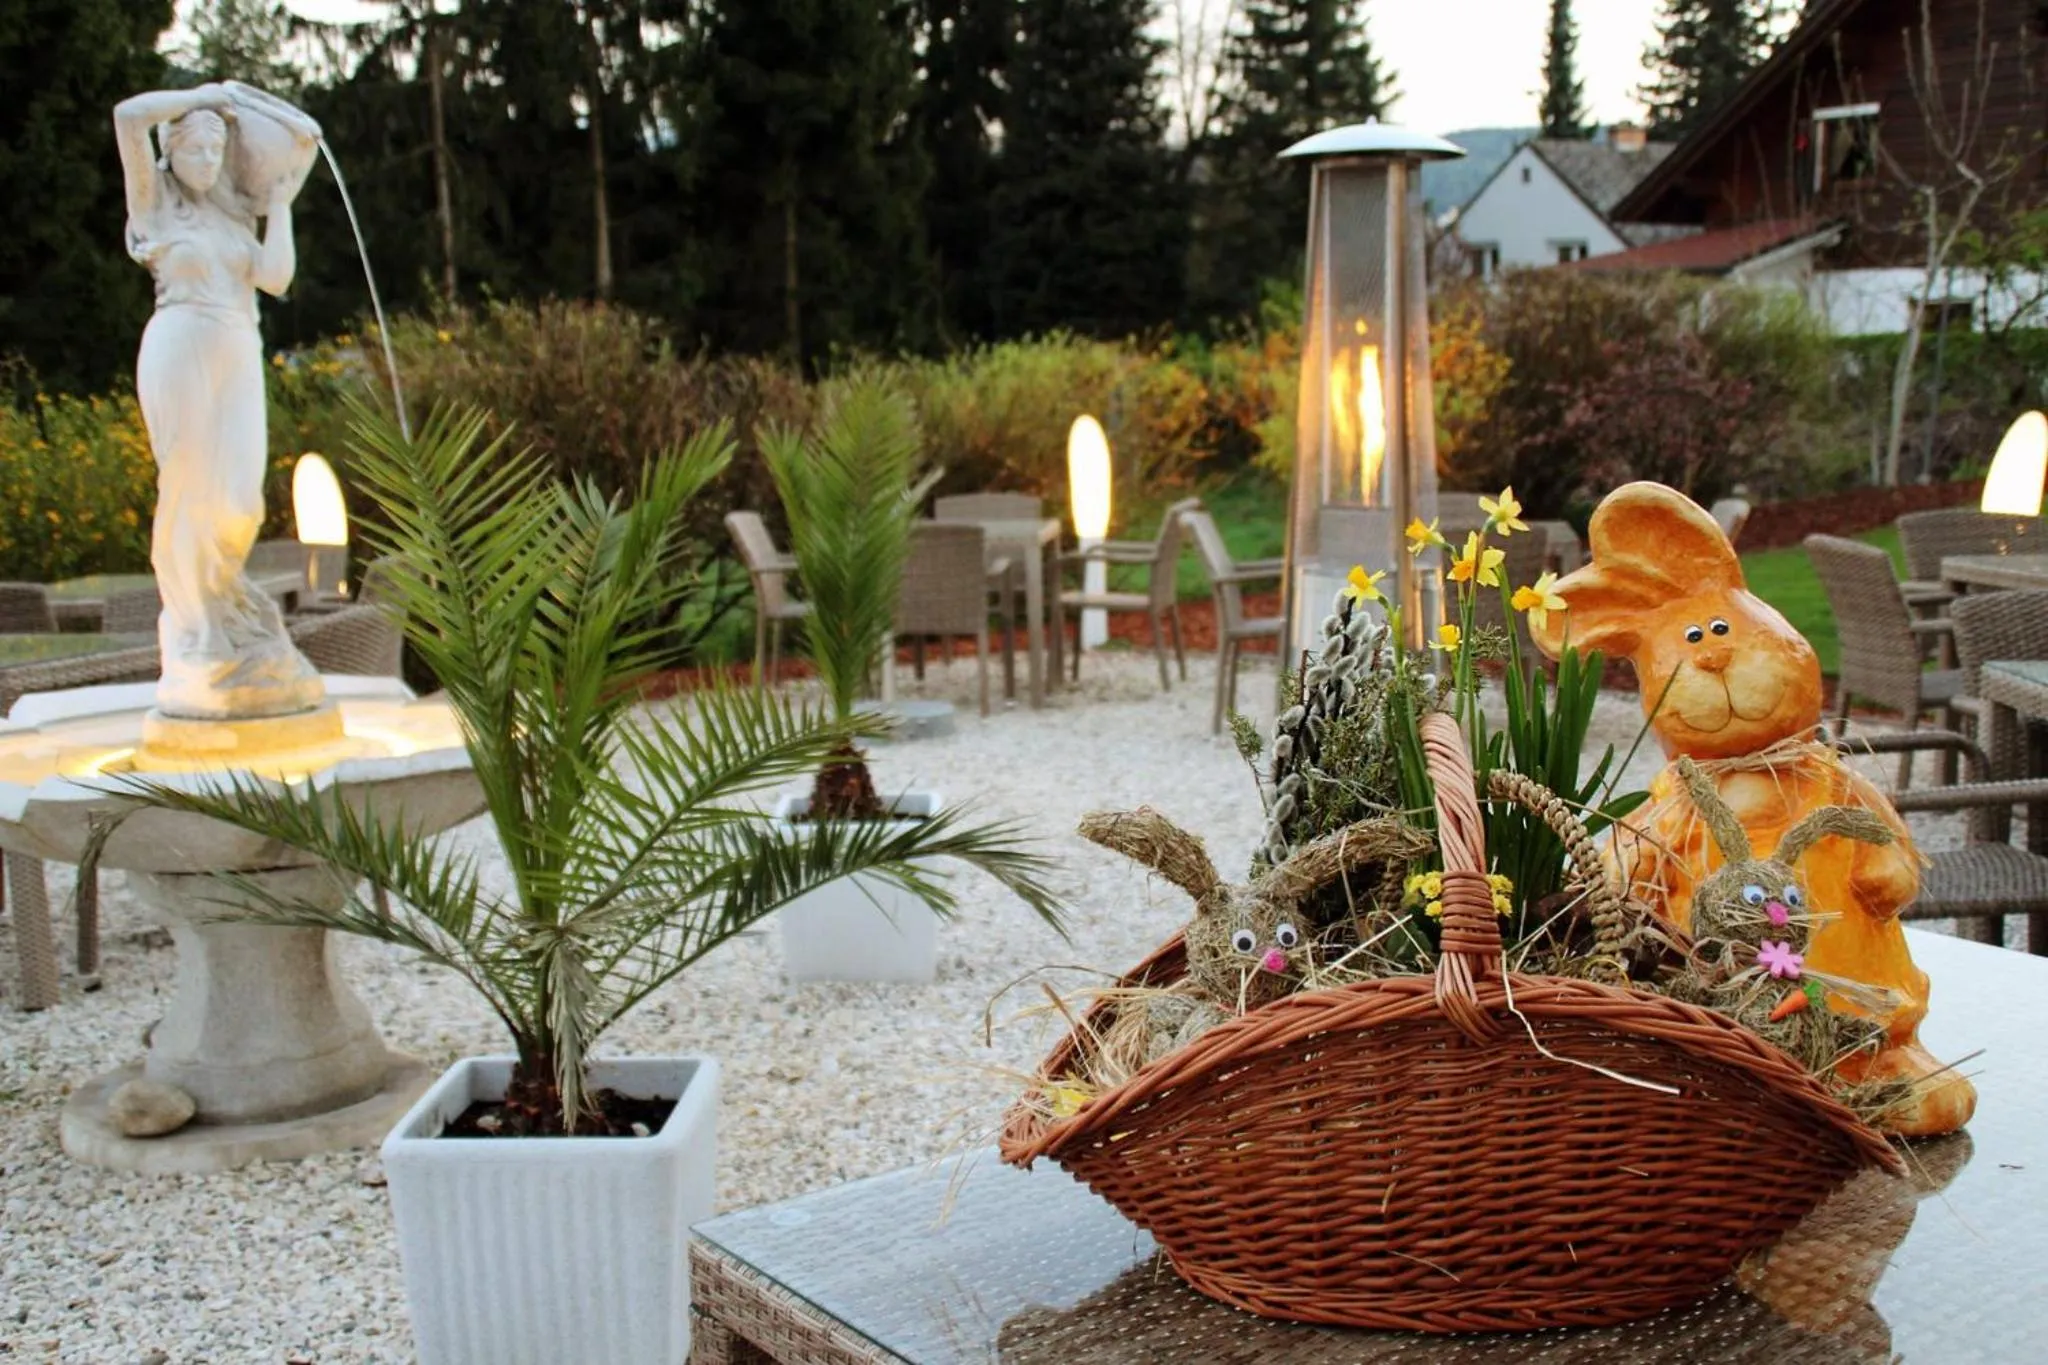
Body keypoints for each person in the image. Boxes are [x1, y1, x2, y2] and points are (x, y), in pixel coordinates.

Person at [112, 81, 324, 719]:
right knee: (187, 491)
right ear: (171, 152)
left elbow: (277, 278)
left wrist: (280, 203)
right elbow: (128, 116)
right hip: (180, 347)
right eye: (195, 149)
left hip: (237, 353)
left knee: (238, 501)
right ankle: (197, 632)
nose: (206, 161)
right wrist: (199, 96)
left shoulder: (234, 214)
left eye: (215, 152)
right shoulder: (155, 205)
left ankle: (226, 609)